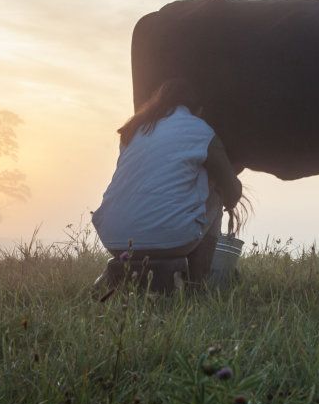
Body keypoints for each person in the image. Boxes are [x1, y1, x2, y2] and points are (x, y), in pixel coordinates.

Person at [92, 79, 242, 289]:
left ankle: (121, 276)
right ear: (198, 110)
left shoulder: (133, 130)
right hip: (172, 240)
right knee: (216, 193)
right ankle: (199, 282)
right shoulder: (201, 130)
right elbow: (232, 192)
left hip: (113, 239)